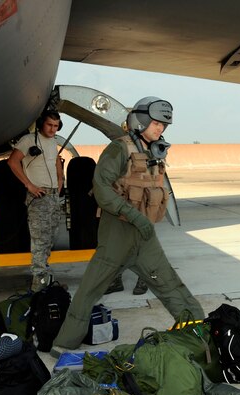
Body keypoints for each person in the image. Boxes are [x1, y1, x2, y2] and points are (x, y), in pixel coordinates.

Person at [51, 97, 204, 353]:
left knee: (170, 284)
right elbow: (101, 188)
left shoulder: (152, 152)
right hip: (117, 234)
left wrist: (143, 221)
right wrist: (133, 216)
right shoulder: (118, 149)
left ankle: (199, 333)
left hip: (144, 236)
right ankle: (64, 344)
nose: (160, 129)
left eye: (163, 125)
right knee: (90, 289)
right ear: (141, 121)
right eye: (155, 123)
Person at [8, 111, 66, 292]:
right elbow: (12, 162)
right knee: (40, 238)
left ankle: (45, 274)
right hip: (38, 196)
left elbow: (55, 158)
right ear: (41, 124)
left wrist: (60, 178)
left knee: (51, 235)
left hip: (53, 195)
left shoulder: (52, 141)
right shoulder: (28, 140)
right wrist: (29, 185)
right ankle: (38, 280)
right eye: (49, 125)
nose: (52, 129)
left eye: (56, 126)